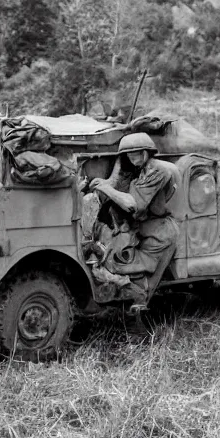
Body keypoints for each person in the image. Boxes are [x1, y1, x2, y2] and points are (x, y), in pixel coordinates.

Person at [86, 132, 180, 312]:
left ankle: (139, 330)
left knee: (144, 287)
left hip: (159, 233)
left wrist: (104, 187)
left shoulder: (158, 171)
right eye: (128, 155)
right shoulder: (137, 170)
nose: (131, 157)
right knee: (125, 269)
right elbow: (115, 186)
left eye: (135, 153)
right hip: (141, 230)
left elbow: (133, 205)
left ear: (145, 153)